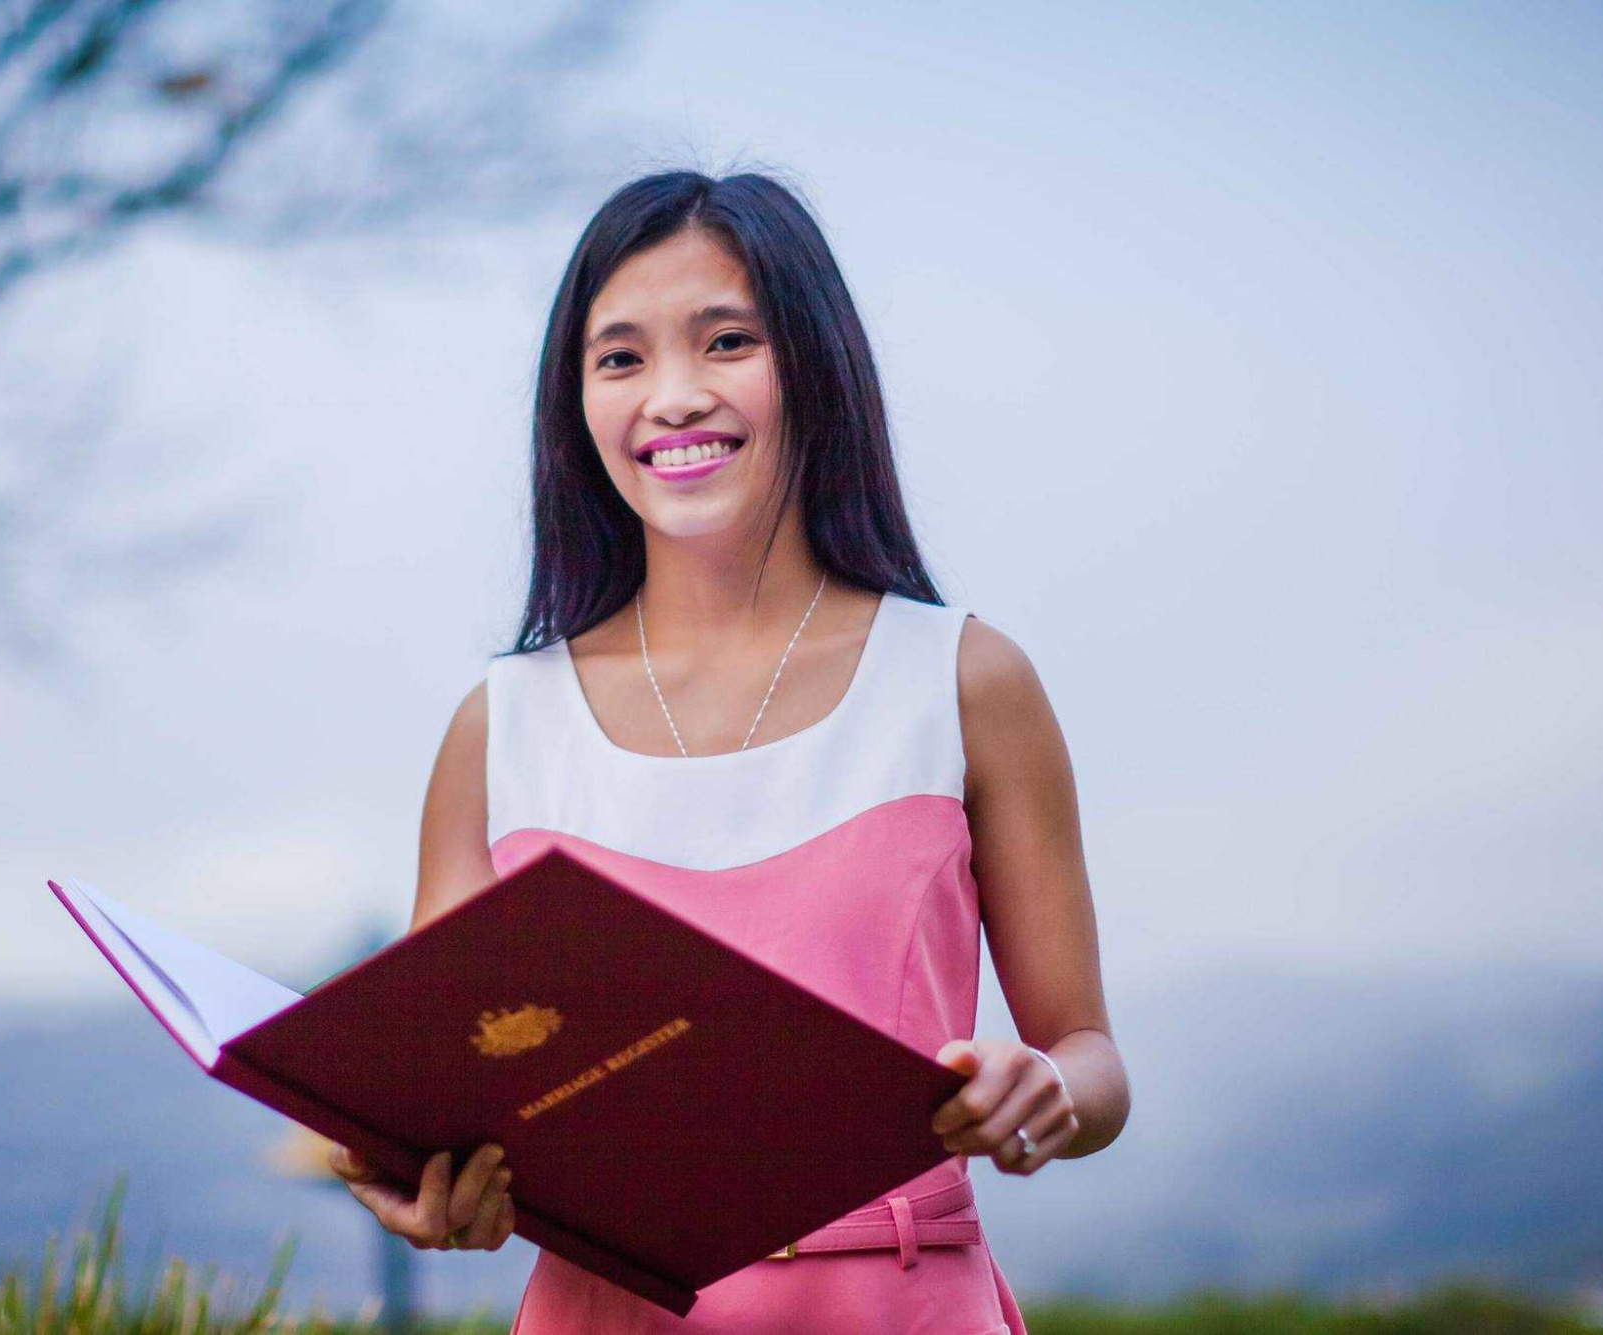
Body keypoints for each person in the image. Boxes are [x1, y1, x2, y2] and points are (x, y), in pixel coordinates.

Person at [328, 168, 1130, 1333]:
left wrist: (1047, 1089)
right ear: (575, 404)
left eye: (725, 342)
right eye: (620, 358)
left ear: (812, 363)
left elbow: (1089, 1053)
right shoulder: (501, 727)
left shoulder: (963, 681)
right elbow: (432, 1091)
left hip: (900, 1303)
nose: (673, 396)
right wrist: (412, 1177)